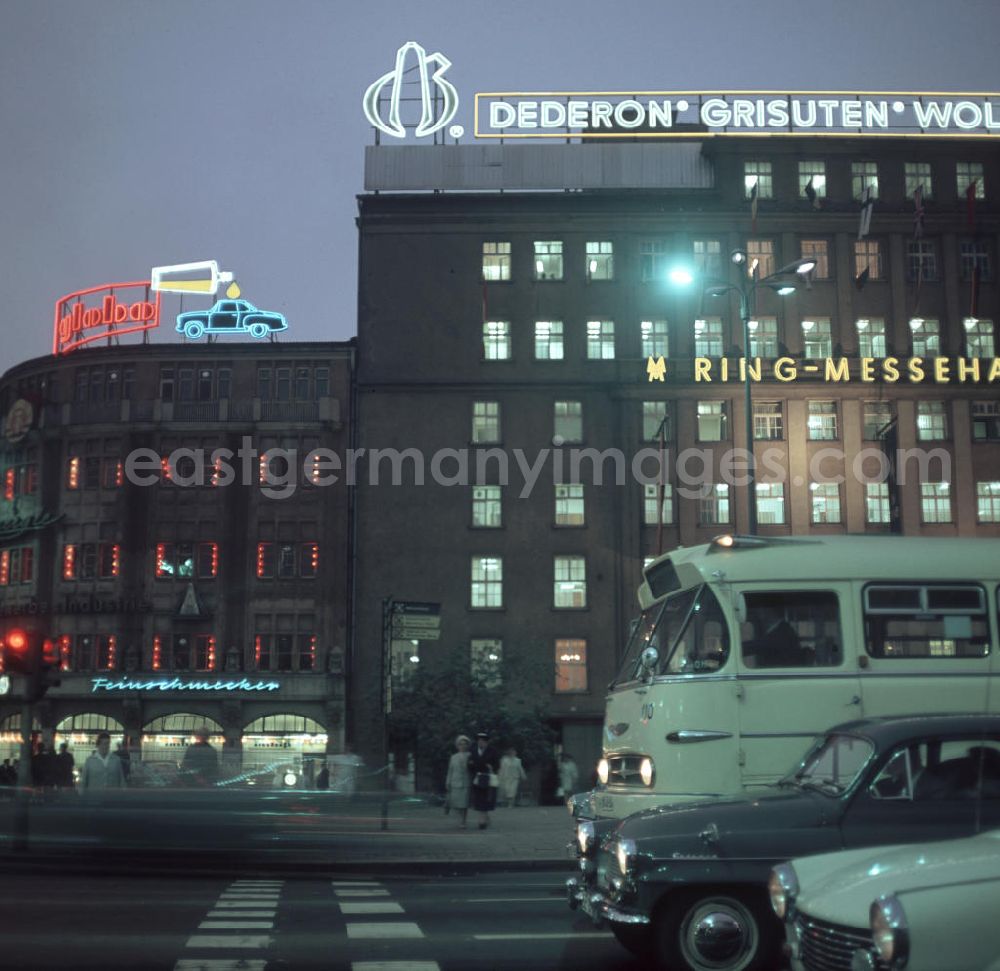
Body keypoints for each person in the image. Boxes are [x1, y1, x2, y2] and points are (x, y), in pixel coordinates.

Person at [467, 730, 499, 829]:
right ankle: (484, 818)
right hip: (477, 778)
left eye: (483, 741)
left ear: (487, 742)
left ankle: (482, 821)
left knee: (486, 799)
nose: (480, 742)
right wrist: (471, 765)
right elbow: (469, 764)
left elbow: (497, 765)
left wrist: (491, 767)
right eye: (479, 740)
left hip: (488, 778)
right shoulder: (473, 750)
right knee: (479, 799)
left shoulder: (492, 751)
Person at [445, 734, 471, 828]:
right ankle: (461, 818)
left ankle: (463, 821)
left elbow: (472, 768)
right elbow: (450, 770)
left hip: (466, 782)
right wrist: (448, 782)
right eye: (460, 744)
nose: (462, 746)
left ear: (467, 745)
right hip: (455, 782)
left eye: (464, 744)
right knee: (456, 803)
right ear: (457, 745)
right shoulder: (453, 757)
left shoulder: (470, 756)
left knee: (464, 804)